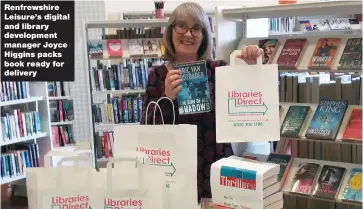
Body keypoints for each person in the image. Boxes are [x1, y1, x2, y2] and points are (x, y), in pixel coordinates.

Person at [140, 2, 263, 201]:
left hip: (215, 168)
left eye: (196, 28)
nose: (188, 34)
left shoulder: (217, 70)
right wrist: (167, 98)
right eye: (181, 26)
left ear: (204, 36)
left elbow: (251, 104)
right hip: (172, 172)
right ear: (171, 31)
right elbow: (146, 129)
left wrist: (251, 66)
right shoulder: (157, 75)